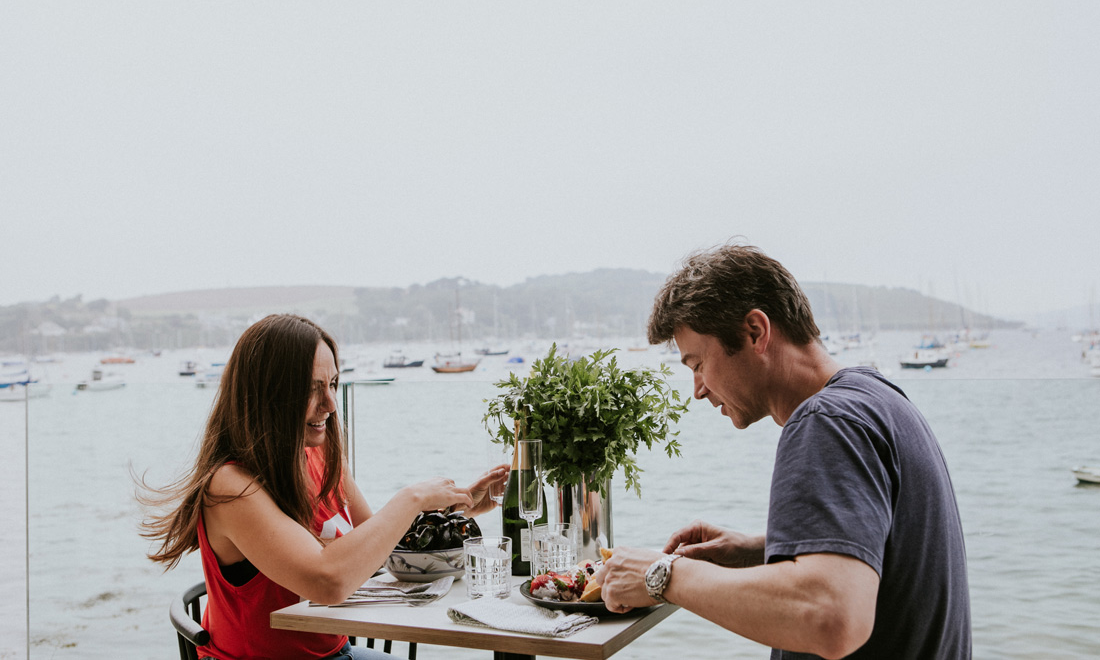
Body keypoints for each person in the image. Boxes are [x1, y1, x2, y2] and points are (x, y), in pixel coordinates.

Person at [594, 244, 971, 659]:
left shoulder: (826, 421)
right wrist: (761, 551)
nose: (698, 390)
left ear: (755, 331)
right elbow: (890, 547)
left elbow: (831, 618)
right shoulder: (878, 398)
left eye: (698, 364)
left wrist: (662, 575)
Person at [139, 314, 508, 660]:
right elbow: (327, 581)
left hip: (337, 653)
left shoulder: (320, 452)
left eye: (332, 384)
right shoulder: (229, 488)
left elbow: (378, 544)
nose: (331, 403)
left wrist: (455, 511)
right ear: (268, 394)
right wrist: (411, 498)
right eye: (312, 389)